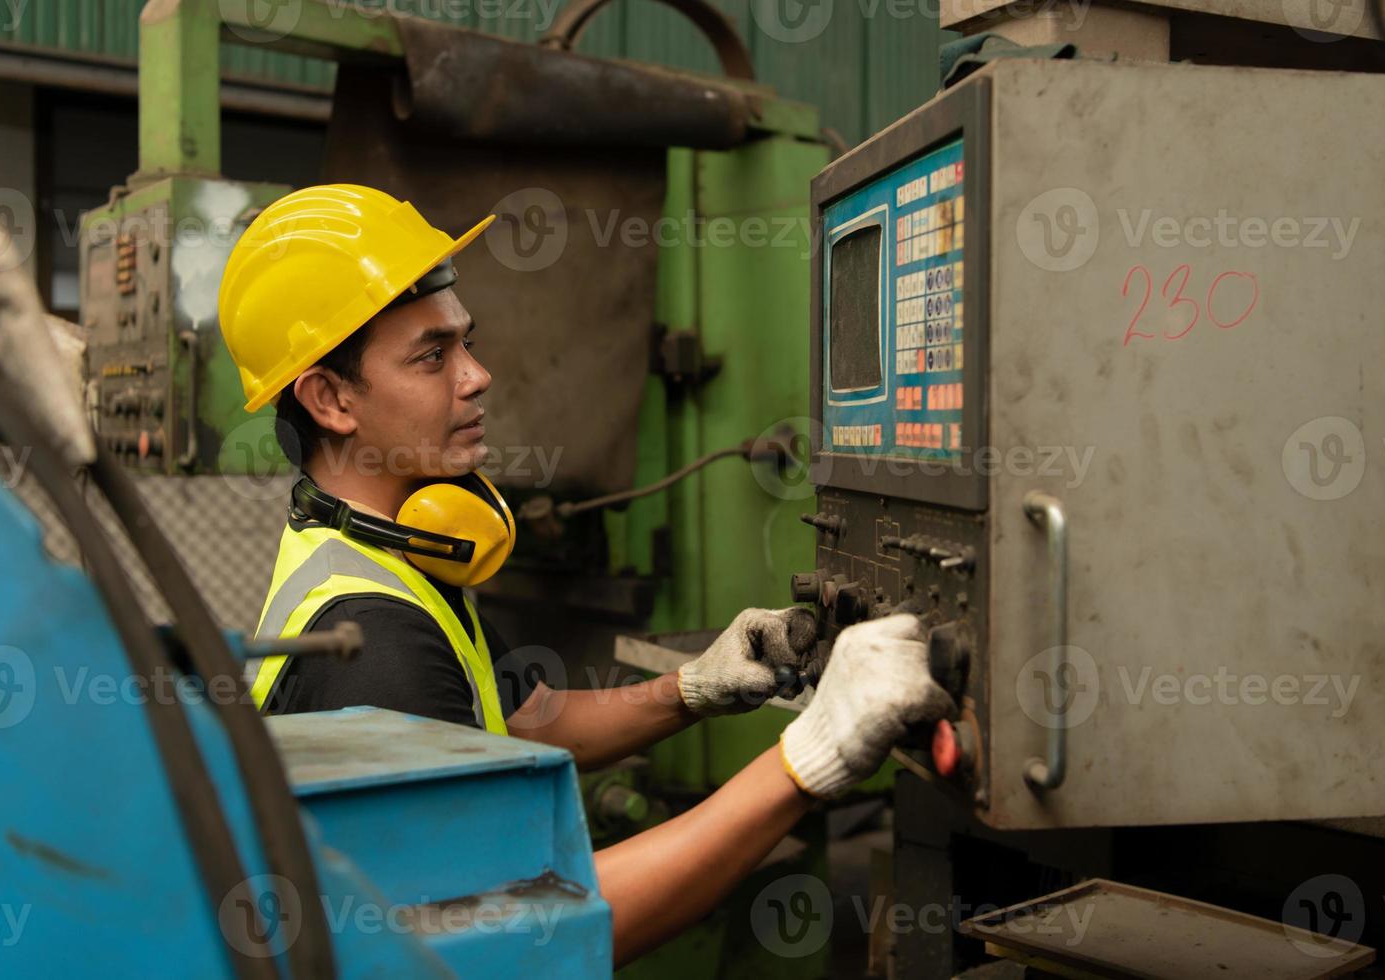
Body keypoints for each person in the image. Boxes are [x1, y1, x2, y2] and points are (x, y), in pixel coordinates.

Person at [218, 183, 953, 964]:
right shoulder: (375, 647)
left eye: (466, 342)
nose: (476, 375)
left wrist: (688, 692)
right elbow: (516, 943)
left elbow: (514, 723)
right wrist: (808, 761)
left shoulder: (377, 550)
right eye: (433, 356)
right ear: (330, 398)